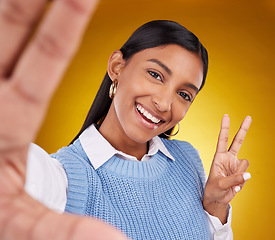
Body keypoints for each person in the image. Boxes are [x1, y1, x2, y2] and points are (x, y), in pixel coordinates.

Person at [0, 0, 251, 239]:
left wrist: (215, 206)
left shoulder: (187, 159)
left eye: (184, 94)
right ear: (117, 67)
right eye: (155, 74)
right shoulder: (66, 176)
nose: (164, 104)